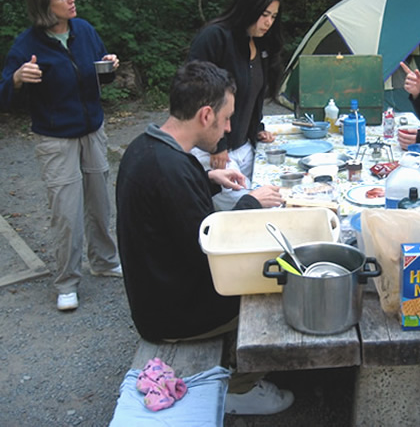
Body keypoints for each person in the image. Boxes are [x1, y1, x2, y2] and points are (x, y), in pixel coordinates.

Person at [116, 60, 292, 415]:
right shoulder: (170, 171)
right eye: (226, 119)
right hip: (173, 314)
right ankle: (239, 389)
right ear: (206, 114)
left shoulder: (148, 146)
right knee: (280, 288)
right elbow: (212, 248)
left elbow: (174, 212)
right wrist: (250, 203)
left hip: (159, 290)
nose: (229, 127)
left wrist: (208, 180)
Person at [0, 0, 122, 312]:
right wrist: (18, 79)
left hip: (92, 131)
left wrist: (110, 64)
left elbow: (99, 75)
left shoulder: (84, 30)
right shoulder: (27, 45)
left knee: (100, 201)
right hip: (56, 139)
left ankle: (104, 260)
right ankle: (67, 282)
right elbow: (4, 96)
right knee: (67, 212)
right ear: (44, 5)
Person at [188, 0, 283, 210]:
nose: (268, 22)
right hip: (213, 152)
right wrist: (218, 145)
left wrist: (257, 129)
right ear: (248, 7)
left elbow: (254, 95)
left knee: (279, 194)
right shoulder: (215, 37)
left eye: (273, 16)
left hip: (244, 147)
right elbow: (194, 93)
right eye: (264, 14)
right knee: (253, 211)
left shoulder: (259, 44)